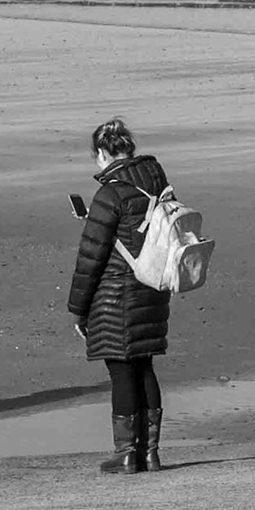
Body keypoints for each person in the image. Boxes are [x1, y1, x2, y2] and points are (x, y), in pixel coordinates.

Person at [67, 117, 171, 475]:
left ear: (101, 154)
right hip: (152, 288)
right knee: (144, 366)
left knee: (122, 370)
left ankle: (126, 453)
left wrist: (78, 309)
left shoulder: (109, 193)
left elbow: (90, 257)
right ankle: (150, 453)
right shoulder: (159, 182)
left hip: (115, 294)